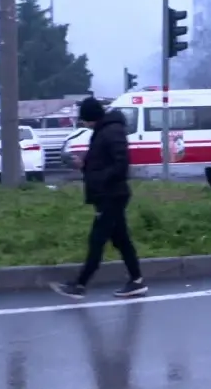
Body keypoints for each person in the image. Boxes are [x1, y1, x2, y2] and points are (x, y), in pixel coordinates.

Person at [53, 97, 146, 299]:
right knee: (121, 240)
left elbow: (121, 164)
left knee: (97, 240)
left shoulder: (111, 131)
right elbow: (103, 161)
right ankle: (136, 280)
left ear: (91, 117)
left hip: (111, 195)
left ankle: (80, 285)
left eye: (84, 119)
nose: (84, 123)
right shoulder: (105, 130)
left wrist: (98, 179)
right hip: (109, 193)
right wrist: (84, 165)